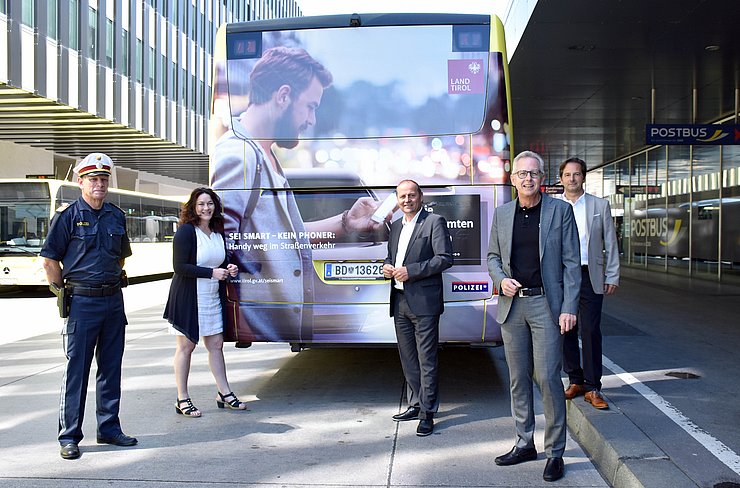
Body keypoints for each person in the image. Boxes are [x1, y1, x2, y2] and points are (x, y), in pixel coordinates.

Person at [210, 46, 387, 342]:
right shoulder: (238, 155)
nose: (312, 120)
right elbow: (220, 247)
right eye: (310, 106)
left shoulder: (263, 154)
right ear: (283, 96)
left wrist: (346, 222)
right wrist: (243, 321)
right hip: (260, 321)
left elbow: (283, 236)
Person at [486, 151, 581, 482]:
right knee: (518, 377)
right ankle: (524, 442)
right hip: (512, 307)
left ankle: (555, 451)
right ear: (513, 180)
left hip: (546, 306)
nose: (528, 179)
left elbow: (571, 263)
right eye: (522, 174)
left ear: (543, 179)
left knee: (548, 377)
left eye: (534, 174)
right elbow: (493, 257)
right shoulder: (501, 214)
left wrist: (569, 306)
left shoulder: (560, 211)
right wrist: (501, 280)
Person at [40, 153, 137, 460]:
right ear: (80, 182)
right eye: (93, 179)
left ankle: (109, 428)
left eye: (104, 179)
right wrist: (63, 291)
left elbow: (121, 256)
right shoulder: (67, 216)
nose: (99, 184)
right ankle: (69, 435)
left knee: (111, 369)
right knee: (76, 372)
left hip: (112, 301)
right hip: (82, 302)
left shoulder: (115, 215)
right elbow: (49, 259)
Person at [163, 187, 247, 417]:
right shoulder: (186, 232)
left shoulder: (217, 232)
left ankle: (224, 393)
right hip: (188, 297)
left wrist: (229, 268)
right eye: (201, 204)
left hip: (211, 297)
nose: (205, 208)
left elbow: (220, 261)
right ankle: (182, 399)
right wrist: (212, 273)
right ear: (193, 207)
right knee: (186, 347)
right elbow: (179, 267)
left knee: (216, 345)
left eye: (209, 203)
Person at [383, 180, 453, 437]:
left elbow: (445, 259)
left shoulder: (434, 222)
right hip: (400, 301)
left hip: (424, 303)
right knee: (408, 359)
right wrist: (387, 267)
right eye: (402, 196)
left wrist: (410, 271)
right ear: (397, 199)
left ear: (420, 197)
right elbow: (392, 257)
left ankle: (427, 413)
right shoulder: (395, 226)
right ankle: (416, 404)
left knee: (427, 360)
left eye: (411, 195)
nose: (407, 200)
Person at [558, 157, 620, 409]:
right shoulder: (552, 206)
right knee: (565, 329)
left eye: (577, 174)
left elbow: (610, 242)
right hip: (561, 275)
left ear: (583, 177)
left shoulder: (599, 205)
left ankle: (593, 386)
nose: (572, 179)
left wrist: (612, 274)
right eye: (567, 174)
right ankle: (575, 379)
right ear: (560, 178)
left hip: (589, 274)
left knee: (591, 330)